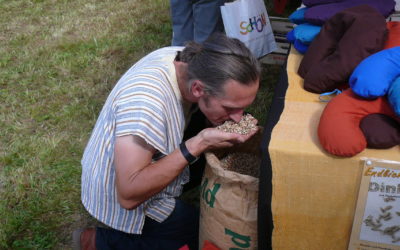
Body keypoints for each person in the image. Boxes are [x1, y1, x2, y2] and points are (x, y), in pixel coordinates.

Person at [74, 33, 261, 250]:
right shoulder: (147, 105)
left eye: (243, 108)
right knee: (199, 235)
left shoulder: (191, 61)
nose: (239, 118)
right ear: (198, 89)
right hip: (116, 191)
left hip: (145, 161)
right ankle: (97, 241)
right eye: (230, 108)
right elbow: (128, 195)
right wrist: (197, 144)